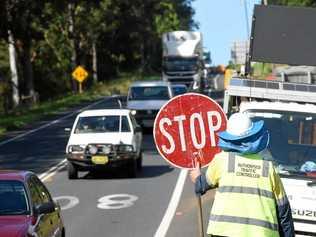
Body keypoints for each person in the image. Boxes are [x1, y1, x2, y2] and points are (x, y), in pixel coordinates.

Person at [190, 112, 294, 237]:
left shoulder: (221, 161)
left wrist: (196, 176)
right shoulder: (268, 167)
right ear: (254, 137)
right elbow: (283, 211)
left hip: (224, 232)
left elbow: (201, 186)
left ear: (229, 138)